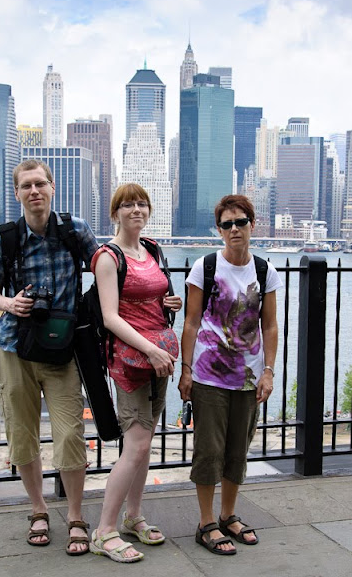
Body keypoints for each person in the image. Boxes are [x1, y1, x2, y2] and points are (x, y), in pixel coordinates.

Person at [0, 159, 98, 555]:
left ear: (52, 188)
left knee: (70, 433)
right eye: (26, 186)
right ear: (17, 193)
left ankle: (76, 516)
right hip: (15, 347)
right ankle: (38, 510)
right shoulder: (7, 238)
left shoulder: (75, 229)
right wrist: (9, 304)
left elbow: (106, 268)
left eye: (40, 184)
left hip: (62, 349)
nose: (34, 191)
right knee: (21, 431)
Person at [178, 194, 283, 556]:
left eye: (241, 222)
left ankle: (228, 515)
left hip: (248, 377)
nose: (234, 229)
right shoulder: (205, 267)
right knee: (209, 450)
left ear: (252, 225)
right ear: (219, 230)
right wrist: (186, 370)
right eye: (227, 224)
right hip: (208, 376)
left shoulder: (265, 271)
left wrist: (268, 371)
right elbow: (191, 322)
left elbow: (270, 326)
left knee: (238, 448)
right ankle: (206, 523)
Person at [89, 183, 182, 563]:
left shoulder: (152, 249)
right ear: (115, 212)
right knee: (137, 445)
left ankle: (133, 516)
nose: (136, 210)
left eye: (142, 204)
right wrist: (150, 349)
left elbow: (152, 297)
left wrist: (169, 302)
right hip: (131, 361)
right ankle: (103, 531)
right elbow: (110, 317)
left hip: (158, 357)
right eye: (128, 205)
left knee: (144, 444)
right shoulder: (107, 257)